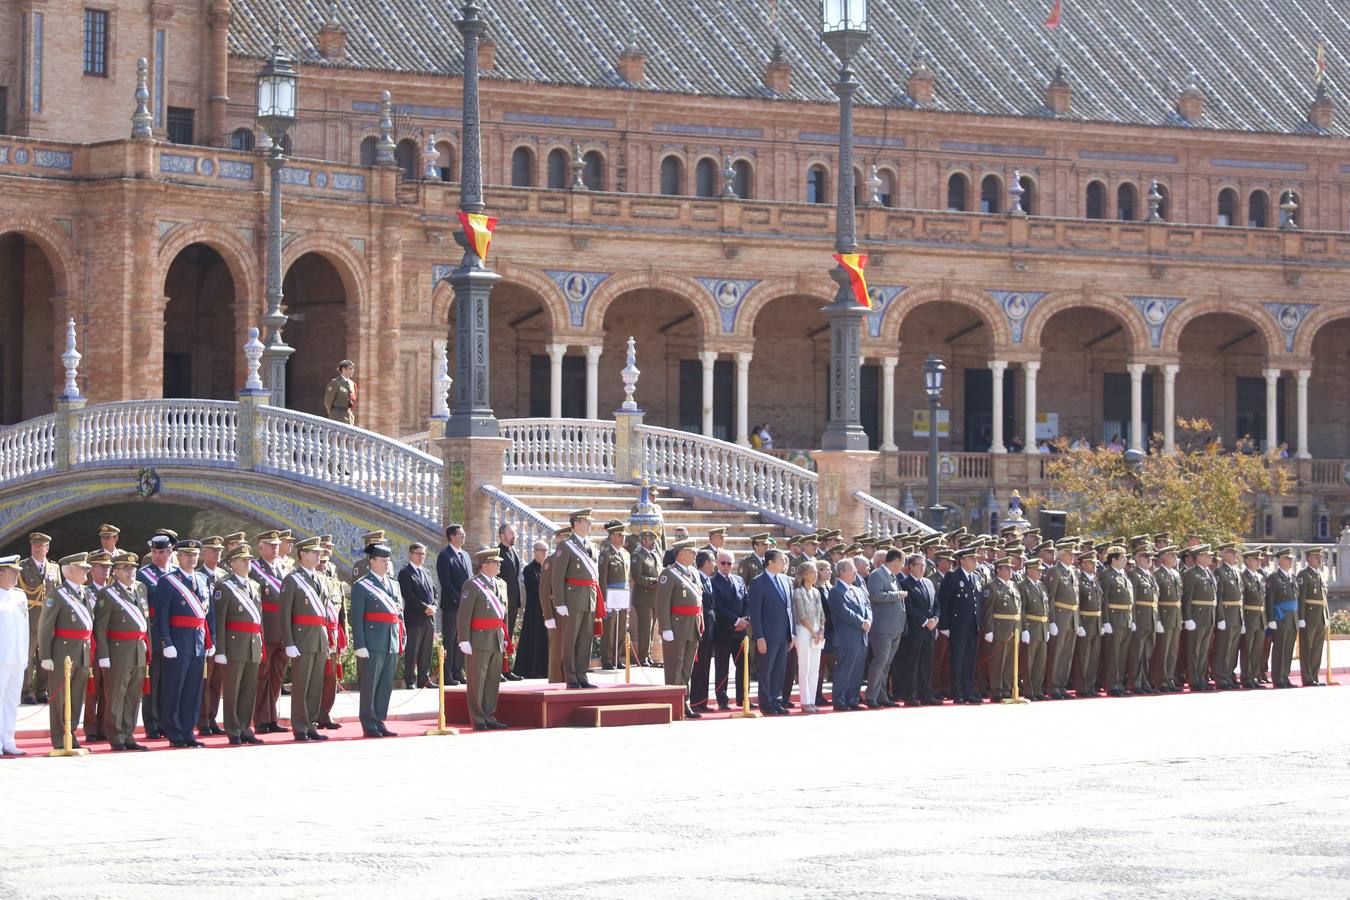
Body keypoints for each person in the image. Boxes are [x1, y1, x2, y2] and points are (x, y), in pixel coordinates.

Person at [152, 540, 215, 749]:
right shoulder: (168, 581)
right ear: (178, 557)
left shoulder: (204, 580)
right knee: (174, 689)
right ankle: (174, 732)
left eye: (195, 555)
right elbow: (161, 616)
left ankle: (188, 730)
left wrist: (211, 639)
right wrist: (166, 642)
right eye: (187, 555)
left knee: (193, 690)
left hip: (198, 642)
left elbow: (209, 614)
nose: (192, 558)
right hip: (178, 643)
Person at [92, 551, 149, 751]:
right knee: (116, 694)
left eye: (133, 568)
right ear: (115, 571)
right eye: (125, 568)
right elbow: (100, 628)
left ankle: (128, 733)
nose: (131, 572)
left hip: (138, 650)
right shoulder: (107, 594)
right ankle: (115, 735)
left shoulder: (141, 589)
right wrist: (104, 655)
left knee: (133, 695)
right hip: (118, 652)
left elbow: (145, 622)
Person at [210, 544, 264, 746]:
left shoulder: (255, 586)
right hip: (234, 645)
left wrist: (260, 645)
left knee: (249, 689)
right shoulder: (224, 587)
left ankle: (245, 727)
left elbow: (259, 619)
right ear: (232, 563)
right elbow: (220, 621)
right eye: (243, 559)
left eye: (249, 559)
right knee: (232, 690)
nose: (247, 562)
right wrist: (221, 650)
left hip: (252, 643)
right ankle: (233, 729)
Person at [280, 537, 333, 742]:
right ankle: (300, 727)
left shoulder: (321, 579)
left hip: (319, 638)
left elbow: (325, 614)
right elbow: (285, 614)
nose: (318, 555)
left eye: (319, 552)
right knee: (301, 685)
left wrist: (328, 638)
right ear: (302, 554)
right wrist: (289, 642)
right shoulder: (292, 580)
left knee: (315, 685)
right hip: (301, 639)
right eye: (314, 552)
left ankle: (311, 724)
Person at [351, 542, 405, 738]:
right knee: (370, 683)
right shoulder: (362, 585)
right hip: (372, 641)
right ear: (371, 562)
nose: (386, 564)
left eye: (388, 561)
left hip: (391, 639)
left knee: (385, 684)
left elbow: (399, 614)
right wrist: (360, 645)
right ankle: (368, 722)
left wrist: (402, 638)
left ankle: (379, 719)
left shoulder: (394, 584)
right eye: (382, 561)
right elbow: (356, 618)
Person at [457, 548, 511, 731]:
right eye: (496, 563)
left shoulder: (501, 584)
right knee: (477, 680)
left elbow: (505, 614)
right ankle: (478, 718)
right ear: (484, 565)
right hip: (479, 638)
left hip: (496, 636)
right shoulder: (472, 585)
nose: (499, 565)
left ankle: (489, 714)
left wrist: (505, 636)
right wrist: (464, 639)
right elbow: (464, 614)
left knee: (493, 679)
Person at [552, 509, 603, 689]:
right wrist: (560, 602)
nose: (590, 525)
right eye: (586, 521)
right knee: (570, 639)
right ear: (576, 522)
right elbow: (557, 577)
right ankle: (571, 677)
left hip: (589, 597)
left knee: (585, 639)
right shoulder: (566, 546)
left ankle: (582, 675)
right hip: (572, 599)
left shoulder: (592, 545)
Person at [655, 539, 704, 717]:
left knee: (686, 668)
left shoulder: (693, 573)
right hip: (676, 626)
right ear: (681, 553)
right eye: (691, 552)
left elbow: (699, 601)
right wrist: (665, 627)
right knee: (674, 666)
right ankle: (673, 703)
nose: (695, 555)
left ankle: (684, 702)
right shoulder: (668, 573)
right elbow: (662, 603)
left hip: (692, 625)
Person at [248, 530, 288, 734]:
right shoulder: (254, 569)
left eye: (276, 544)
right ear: (260, 547)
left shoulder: (283, 567)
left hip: (282, 631)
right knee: (261, 676)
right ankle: (261, 719)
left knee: (276, 677)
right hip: (265, 630)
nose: (274, 547)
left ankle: (272, 717)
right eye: (270, 544)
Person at [747, 549, 794, 715]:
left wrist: (792, 633)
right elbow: (756, 612)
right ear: (770, 562)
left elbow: (790, 609)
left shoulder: (785, 580)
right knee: (766, 671)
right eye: (781, 561)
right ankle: (766, 704)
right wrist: (759, 636)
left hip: (783, 634)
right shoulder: (758, 582)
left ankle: (777, 700)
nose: (784, 564)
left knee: (779, 670)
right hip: (767, 635)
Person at [19, 532, 60, 705]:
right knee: (27, 655)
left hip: (48, 619)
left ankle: (42, 689)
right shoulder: (23, 567)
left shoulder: (54, 568)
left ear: (47, 548)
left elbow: (57, 593)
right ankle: (26, 691)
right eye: (34, 545)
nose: (37, 548)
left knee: (45, 655)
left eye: (40, 545)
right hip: (30, 617)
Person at [938, 547, 982, 705]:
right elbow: (944, 603)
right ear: (962, 560)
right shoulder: (952, 577)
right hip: (957, 626)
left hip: (972, 626)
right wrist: (944, 625)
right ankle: (957, 692)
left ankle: (968, 690)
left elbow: (977, 603)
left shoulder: (975, 578)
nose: (975, 561)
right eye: (972, 558)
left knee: (970, 660)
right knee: (957, 660)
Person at [864, 548, 907, 708]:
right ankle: (871, 696)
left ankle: (881, 696)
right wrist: (896, 595)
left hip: (894, 628)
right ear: (895, 561)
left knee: (886, 663)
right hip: (882, 628)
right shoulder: (877, 574)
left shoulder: (892, 577)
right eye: (902, 562)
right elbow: (875, 595)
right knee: (880, 662)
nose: (903, 566)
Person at [826, 559, 871, 711]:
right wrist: (861, 622)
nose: (855, 573)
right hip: (846, 638)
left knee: (857, 671)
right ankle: (840, 700)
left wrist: (868, 620)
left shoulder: (858, 590)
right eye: (852, 570)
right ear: (842, 572)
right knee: (844, 670)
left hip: (861, 637)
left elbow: (867, 607)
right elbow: (843, 611)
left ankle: (852, 698)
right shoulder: (835, 590)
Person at [896, 553, 940, 706]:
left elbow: (936, 604)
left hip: (929, 630)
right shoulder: (904, 583)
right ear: (910, 567)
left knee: (926, 664)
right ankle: (910, 695)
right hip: (915, 630)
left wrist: (935, 618)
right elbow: (909, 607)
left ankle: (926, 694)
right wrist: (925, 621)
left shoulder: (928, 582)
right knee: (912, 664)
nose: (922, 568)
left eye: (924, 565)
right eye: (919, 565)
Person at [196, 536, 228, 737]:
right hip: (207, 634)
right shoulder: (198, 576)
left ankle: (213, 717)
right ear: (203, 553)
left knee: (218, 680)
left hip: (224, 634)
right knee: (205, 681)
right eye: (212, 550)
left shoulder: (225, 576)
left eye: (219, 550)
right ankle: (203, 720)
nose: (217, 553)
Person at [711, 549, 749, 710]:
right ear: (717, 563)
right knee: (722, 666)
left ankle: (743, 697)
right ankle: (722, 699)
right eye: (723, 563)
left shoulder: (739, 580)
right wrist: (736, 620)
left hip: (741, 631)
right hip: (724, 630)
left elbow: (746, 600)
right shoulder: (713, 582)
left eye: (729, 563)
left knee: (743, 665)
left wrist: (746, 619)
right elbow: (718, 607)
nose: (726, 566)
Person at [82, 550, 113, 742]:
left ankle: (104, 727)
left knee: (108, 692)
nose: (106, 571)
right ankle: (91, 729)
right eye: (102, 567)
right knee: (92, 690)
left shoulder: (113, 592)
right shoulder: (86, 592)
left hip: (112, 646)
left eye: (108, 567)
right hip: (93, 647)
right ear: (92, 569)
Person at [397, 542, 438, 689]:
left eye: (424, 554)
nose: (422, 557)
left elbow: (434, 591)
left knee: (426, 650)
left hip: (429, 617)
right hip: (415, 618)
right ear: (411, 554)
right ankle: (410, 680)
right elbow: (408, 596)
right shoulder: (405, 573)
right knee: (413, 650)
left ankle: (423, 679)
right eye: (419, 554)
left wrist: (434, 605)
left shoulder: (426, 572)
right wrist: (424, 607)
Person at [0, 555, 29, 756]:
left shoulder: (20, 596)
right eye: (12, 571)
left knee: (12, 700)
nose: (17, 575)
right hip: (1, 656)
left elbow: (25, 627)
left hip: (17, 657)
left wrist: (25, 656)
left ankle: (8, 740)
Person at [436, 524, 472, 686]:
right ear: (452, 536)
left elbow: (470, 579)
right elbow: (446, 583)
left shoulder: (465, 555)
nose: (464, 536)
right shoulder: (445, 556)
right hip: (452, 605)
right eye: (461, 534)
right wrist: (460, 599)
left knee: (462, 638)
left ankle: (458, 670)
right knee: (450, 639)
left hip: (466, 605)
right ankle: (447, 673)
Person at [981, 556, 1021, 701]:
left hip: (1013, 628)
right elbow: (988, 610)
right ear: (999, 570)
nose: (1011, 570)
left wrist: (1021, 628)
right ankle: (996, 690)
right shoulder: (992, 587)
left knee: (1010, 661)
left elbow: (1018, 609)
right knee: (998, 661)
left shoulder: (1013, 585)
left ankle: (1007, 688)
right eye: (1007, 568)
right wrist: (989, 629)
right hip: (999, 628)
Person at [1098, 546, 1135, 697]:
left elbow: (1131, 599)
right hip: (1114, 618)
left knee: (1122, 654)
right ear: (1113, 559)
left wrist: (1132, 618)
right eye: (1123, 558)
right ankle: (1111, 684)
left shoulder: (1124, 574)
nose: (1126, 560)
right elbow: (1104, 599)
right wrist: (1106, 621)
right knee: (1113, 653)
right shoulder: (1107, 575)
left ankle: (1119, 682)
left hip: (1126, 617)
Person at [1181, 544, 1218, 691]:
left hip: (1209, 616)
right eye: (1206, 555)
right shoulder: (1192, 574)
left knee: (1204, 650)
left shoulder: (1208, 572)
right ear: (1199, 557)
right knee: (1194, 650)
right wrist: (1188, 617)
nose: (1210, 557)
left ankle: (1202, 677)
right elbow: (1187, 598)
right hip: (1197, 616)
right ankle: (1194, 680)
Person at [790, 561, 825, 714]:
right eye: (813, 572)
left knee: (815, 668)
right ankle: (805, 701)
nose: (815, 574)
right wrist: (813, 632)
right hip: (804, 631)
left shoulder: (816, 592)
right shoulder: (798, 592)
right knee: (805, 666)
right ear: (805, 575)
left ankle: (812, 700)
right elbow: (801, 614)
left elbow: (822, 614)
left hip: (817, 630)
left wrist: (821, 630)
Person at [513, 540, 550, 679]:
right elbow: (534, 588)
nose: (545, 553)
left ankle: (544, 669)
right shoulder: (529, 569)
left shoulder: (547, 568)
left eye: (546, 550)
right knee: (534, 639)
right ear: (535, 552)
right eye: (542, 550)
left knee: (545, 640)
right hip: (534, 610)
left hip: (546, 608)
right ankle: (532, 670)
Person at [1126, 546, 1161, 695]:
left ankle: (1144, 680)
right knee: (1137, 653)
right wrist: (1133, 619)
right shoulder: (1133, 575)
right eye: (1145, 556)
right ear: (1136, 558)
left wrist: (1157, 620)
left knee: (1147, 653)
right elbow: (1132, 600)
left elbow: (1155, 600)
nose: (1149, 559)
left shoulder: (1150, 575)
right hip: (1140, 618)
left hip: (1151, 618)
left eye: (1150, 556)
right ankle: (1135, 682)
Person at [687, 550, 718, 712]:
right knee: (698, 667)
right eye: (713, 561)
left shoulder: (707, 579)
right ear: (706, 563)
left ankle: (702, 701)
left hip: (710, 629)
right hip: (700, 629)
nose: (715, 564)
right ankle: (695, 701)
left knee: (706, 666)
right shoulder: (696, 578)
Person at [1151, 545, 1184, 693]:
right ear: (1164, 557)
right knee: (1163, 650)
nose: (1175, 558)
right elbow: (1156, 600)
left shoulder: (1176, 574)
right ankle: (1160, 679)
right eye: (1172, 555)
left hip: (1176, 615)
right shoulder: (1157, 574)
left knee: (1173, 650)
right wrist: (1157, 620)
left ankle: (1170, 677)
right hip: (1164, 615)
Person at [598, 519, 630, 670]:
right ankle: (607, 659)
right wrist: (604, 600)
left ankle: (618, 657)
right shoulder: (606, 554)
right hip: (611, 594)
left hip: (622, 594)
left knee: (621, 628)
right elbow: (602, 578)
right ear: (611, 536)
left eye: (623, 535)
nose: (623, 538)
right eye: (619, 535)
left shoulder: (625, 554)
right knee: (609, 629)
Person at [1265, 548, 1299, 688]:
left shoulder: (1293, 577)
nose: (1291, 561)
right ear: (1280, 560)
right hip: (1280, 618)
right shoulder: (1274, 578)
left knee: (1288, 649)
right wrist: (1271, 619)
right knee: (1279, 649)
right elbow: (1270, 600)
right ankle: (1277, 678)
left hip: (1292, 619)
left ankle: (1285, 676)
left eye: (1291, 559)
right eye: (1288, 559)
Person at [1072, 549, 1104, 698]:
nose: (1094, 565)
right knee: (1083, 657)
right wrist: (1078, 624)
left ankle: (1090, 686)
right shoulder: (1079, 580)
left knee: (1093, 658)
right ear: (1083, 564)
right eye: (1091, 562)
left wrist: (1102, 623)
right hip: (1085, 621)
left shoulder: (1094, 579)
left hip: (1096, 622)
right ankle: (1082, 687)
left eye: (1095, 562)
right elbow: (1077, 604)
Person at [1017, 557, 1050, 701]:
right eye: (1037, 570)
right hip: (1031, 626)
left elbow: (1046, 608)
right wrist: (1024, 629)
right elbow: (1022, 609)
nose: (1040, 573)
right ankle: (1028, 690)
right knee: (1028, 662)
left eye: (1041, 570)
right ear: (1029, 570)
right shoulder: (1022, 586)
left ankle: (1037, 689)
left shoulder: (1042, 586)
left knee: (1040, 661)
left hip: (1042, 627)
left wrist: (1047, 627)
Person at [1212, 543, 1243, 690]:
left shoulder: (1235, 572)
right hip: (1226, 612)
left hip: (1236, 614)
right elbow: (1218, 597)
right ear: (1224, 555)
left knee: (1233, 648)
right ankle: (1220, 676)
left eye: (1235, 553)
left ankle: (1229, 674)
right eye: (1231, 553)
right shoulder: (1220, 572)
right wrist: (1221, 617)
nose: (1235, 556)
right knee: (1223, 647)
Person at [629, 528, 662, 667]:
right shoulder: (638, 554)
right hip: (643, 597)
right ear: (643, 540)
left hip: (654, 597)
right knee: (644, 628)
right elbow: (638, 577)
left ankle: (647, 655)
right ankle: (642, 657)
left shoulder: (654, 554)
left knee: (650, 628)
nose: (654, 542)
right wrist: (654, 581)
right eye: (651, 539)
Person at [497, 524, 525, 681]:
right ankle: (498, 670)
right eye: (511, 533)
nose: (514, 535)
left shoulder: (513, 551)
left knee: (508, 637)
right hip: (501, 603)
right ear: (502, 535)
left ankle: (507, 669)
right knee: (500, 636)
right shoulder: (498, 553)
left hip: (513, 602)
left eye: (514, 533)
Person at [1297, 548, 1329, 686]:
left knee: (1317, 648)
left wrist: (1326, 616)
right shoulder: (1304, 574)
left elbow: (1324, 598)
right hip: (1309, 617)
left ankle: (1315, 676)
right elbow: (1301, 597)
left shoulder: (1319, 575)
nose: (1320, 560)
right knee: (1307, 649)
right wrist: (1301, 617)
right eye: (1317, 557)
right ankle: (1307, 677)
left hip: (1320, 617)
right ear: (1309, 558)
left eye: (1320, 557)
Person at [1239, 547, 1268, 689]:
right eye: (1256, 559)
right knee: (1247, 649)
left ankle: (1255, 676)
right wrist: (1243, 620)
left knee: (1257, 649)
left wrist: (1266, 619)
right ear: (1248, 561)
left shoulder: (1261, 577)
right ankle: (1246, 677)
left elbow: (1264, 599)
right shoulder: (1242, 577)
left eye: (1259, 559)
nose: (1258, 562)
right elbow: (1242, 601)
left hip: (1260, 617)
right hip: (1249, 616)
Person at [323, 359, 358, 423]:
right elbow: (328, 401)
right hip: (337, 416)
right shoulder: (335, 383)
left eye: (353, 369)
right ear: (343, 369)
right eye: (350, 369)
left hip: (349, 417)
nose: (352, 371)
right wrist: (332, 413)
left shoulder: (352, 384)